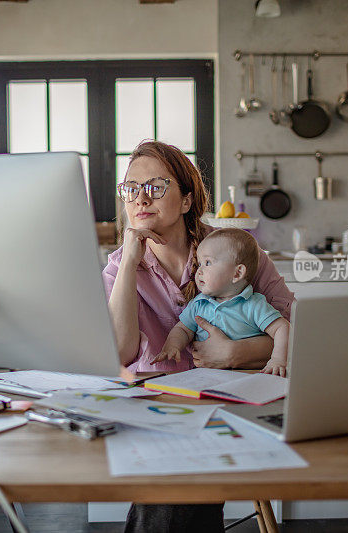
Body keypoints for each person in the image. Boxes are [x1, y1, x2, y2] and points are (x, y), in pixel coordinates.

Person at [102, 140, 295, 532]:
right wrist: (128, 262)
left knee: (177, 486)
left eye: (155, 186)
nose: (140, 198)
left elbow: (299, 332)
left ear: (188, 200)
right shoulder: (120, 267)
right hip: (156, 406)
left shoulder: (236, 250)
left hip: (233, 400)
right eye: (130, 188)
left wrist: (235, 353)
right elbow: (120, 352)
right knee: (178, 484)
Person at [152, 228, 290, 376]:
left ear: (237, 273)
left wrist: (277, 359)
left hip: (247, 376)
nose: (199, 271)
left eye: (208, 262)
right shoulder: (198, 304)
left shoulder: (254, 304)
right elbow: (183, 330)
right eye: (199, 264)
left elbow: (282, 327)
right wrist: (172, 346)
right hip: (206, 377)